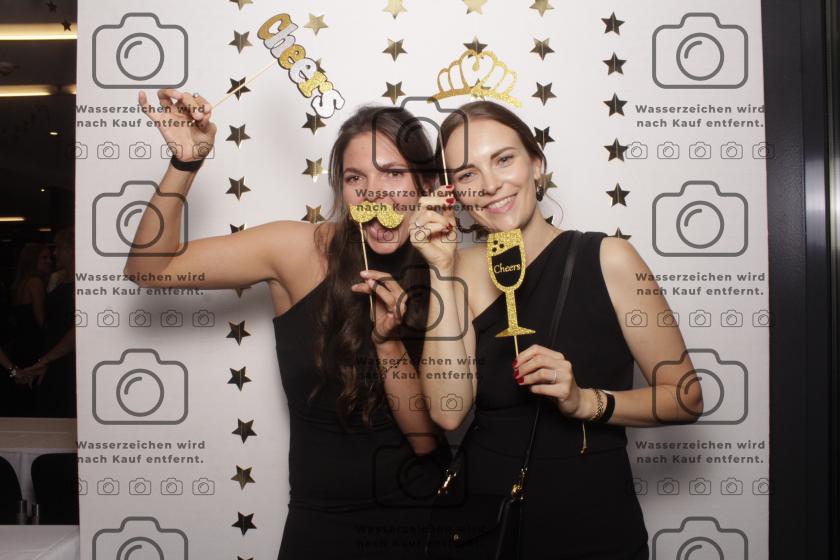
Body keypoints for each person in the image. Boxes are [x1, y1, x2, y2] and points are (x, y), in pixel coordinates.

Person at [124, 89, 450, 559]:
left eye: (394, 173)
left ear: (426, 182)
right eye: (355, 177)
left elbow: (425, 439)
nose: (374, 192)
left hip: (424, 521)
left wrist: (390, 342)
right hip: (321, 526)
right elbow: (149, 269)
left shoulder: (448, 270)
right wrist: (185, 164)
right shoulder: (300, 251)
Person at [411, 100, 705, 559]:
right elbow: (448, 413)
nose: (489, 184)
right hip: (480, 526)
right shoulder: (455, 268)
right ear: (455, 194)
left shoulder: (610, 258)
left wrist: (585, 401)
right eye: (468, 174)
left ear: (536, 165)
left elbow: (685, 397)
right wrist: (440, 269)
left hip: (591, 523)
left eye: (503, 159)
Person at [17, 228, 77, 418]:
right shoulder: (59, 280)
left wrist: (47, 359)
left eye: (59, 248)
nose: (55, 253)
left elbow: (77, 330)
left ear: (72, 250)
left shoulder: (83, 284)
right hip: (54, 356)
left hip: (66, 360)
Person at [0, 243, 50, 416]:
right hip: (34, 346)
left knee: (21, 400)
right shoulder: (35, 283)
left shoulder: (18, 285)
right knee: (34, 398)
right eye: (44, 258)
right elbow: (41, 321)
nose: (49, 261)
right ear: (32, 260)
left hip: (18, 348)